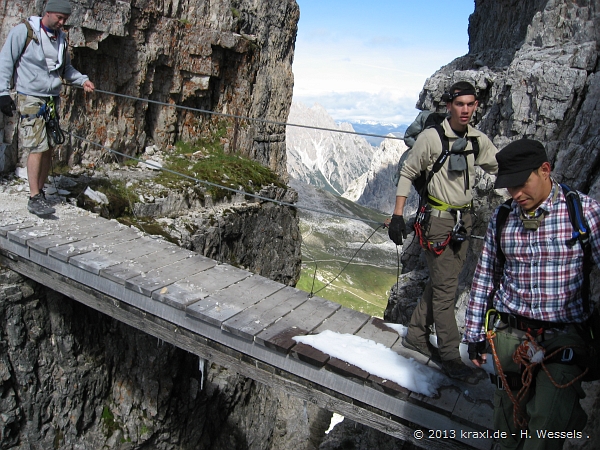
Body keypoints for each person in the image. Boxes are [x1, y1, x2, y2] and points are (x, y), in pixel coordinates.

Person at [465, 139, 600, 450]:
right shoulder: (503, 218)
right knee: (507, 419)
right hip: (511, 336)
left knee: (548, 422)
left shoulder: (584, 213)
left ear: (545, 170)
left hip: (564, 337)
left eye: (522, 184)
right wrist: (473, 335)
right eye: (509, 187)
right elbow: (485, 275)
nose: (516, 194)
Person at [388, 81, 498, 379]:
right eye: (459, 104)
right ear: (449, 105)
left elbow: (499, 168)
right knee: (447, 289)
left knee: (442, 283)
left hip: (465, 221)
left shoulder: (477, 140)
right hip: (436, 222)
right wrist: (398, 214)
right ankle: (450, 355)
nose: (465, 109)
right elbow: (408, 172)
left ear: (476, 106)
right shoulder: (431, 138)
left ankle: (416, 335)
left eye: (470, 104)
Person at [0, 0, 94, 216]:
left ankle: (39, 191)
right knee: (37, 146)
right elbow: (5, 61)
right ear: (48, 13)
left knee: (50, 145)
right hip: (31, 97)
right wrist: (2, 93)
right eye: (59, 18)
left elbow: (65, 69)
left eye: (65, 20)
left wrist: (82, 81)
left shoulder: (60, 39)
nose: (62, 23)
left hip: (51, 99)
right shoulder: (23, 32)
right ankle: (34, 197)